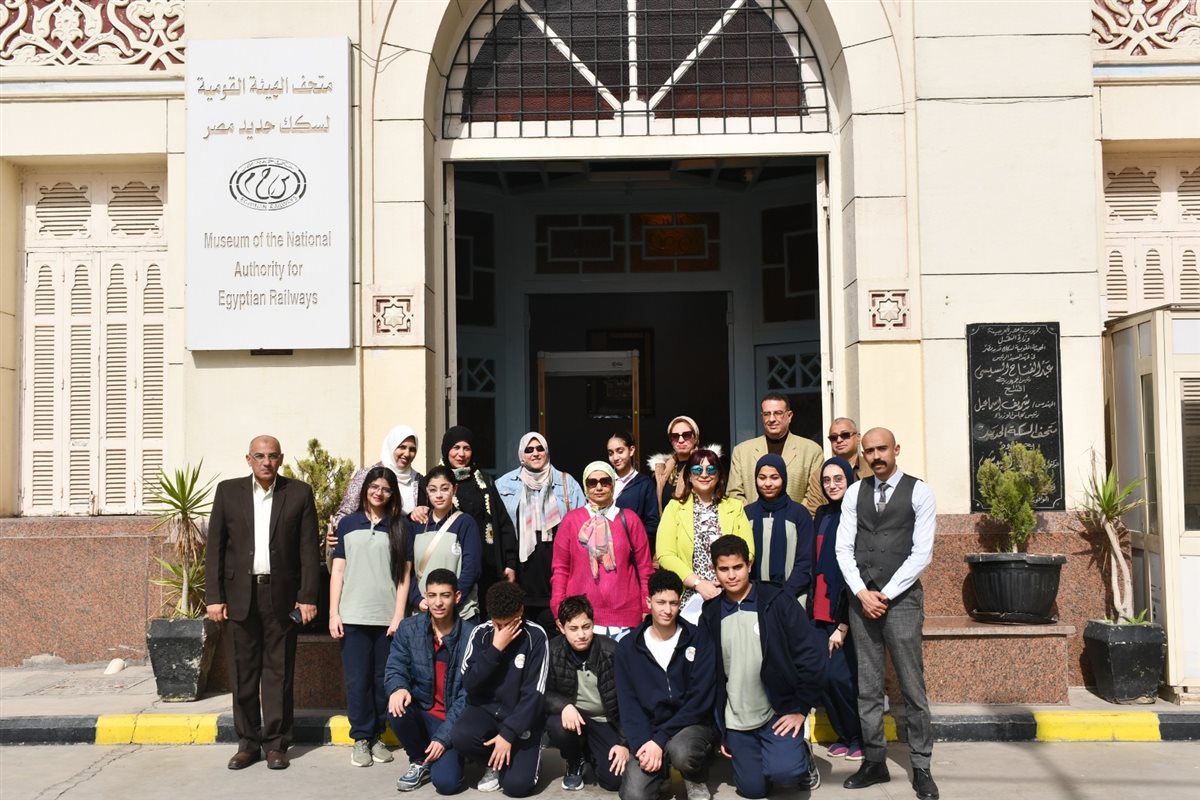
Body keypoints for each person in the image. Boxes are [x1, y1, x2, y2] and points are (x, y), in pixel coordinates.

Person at [205, 435, 320, 771]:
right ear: (249, 459)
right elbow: (215, 548)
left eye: (272, 456)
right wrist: (214, 597)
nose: (266, 462)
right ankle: (247, 744)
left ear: (281, 459)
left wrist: (307, 597)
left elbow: (308, 550)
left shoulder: (298, 493)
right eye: (259, 456)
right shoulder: (228, 492)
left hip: (280, 596)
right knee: (242, 673)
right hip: (239, 595)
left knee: (278, 673)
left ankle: (276, 744)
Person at [835, 428, 938, 800]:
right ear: (863, 455)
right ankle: (874, 761)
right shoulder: (854, 492)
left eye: (882, 449)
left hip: (902, 600)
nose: (876, 456)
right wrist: (862, 593)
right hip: (862, 599)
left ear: (896, 449)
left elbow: (922, 553)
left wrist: (886, 593)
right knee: (867, 686)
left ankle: (921, 766)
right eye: (869, 451)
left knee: (912, 686)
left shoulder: (920, 491)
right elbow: (843, 548)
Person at [700, 535, 826, 797]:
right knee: (752, 790)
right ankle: (762, 757)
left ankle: (800, 754)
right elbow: (708, 675)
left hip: (777, 712)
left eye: (737, 567)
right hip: (737, 718)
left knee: (786, 773)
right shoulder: (711, 613)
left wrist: (801, 708)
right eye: (724, 569)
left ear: (749, 565)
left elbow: (811, 655)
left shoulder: (776, 601)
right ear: (714, 570)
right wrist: (720, 728)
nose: (731, 575)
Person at [330, 466, 411, 767]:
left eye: (386, 489)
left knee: (381, 681)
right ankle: (361, 738)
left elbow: (405, 575)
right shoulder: (348, 524)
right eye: (374, 487)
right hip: (352, 614)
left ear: (393, 494)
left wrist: (399, 614)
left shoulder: (400, 526)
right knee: (357, 681)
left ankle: (377, 735)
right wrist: (333, 613)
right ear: (365, 489)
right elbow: (338, 570)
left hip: (386, 617)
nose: (379, 493)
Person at [615, 570, 716, 800]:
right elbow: (629, 705)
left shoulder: (698, 638)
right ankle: (660, 774)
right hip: (649, 730)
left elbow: (699, 700)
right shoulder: (628, 648)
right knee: (634, 795)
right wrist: (644, 745)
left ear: (680, 603)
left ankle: (694, 775)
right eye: (661, 602)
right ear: (648, 601)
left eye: (673, 603)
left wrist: (660, 740)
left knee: (683, 752)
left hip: (689, 725)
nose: (667, 610)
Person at [451, 581, 549, 797]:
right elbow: (469, 683)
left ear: (521, 611)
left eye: (510, 624)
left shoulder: (536, 636)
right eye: (498, 624)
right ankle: (493, 763)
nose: (503, 630)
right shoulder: (480, 633)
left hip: (521, 720)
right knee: (460, 736)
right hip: (486, 712)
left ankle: (527, 759)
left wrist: (508, 734)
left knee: (516, 787)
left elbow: (535, 693)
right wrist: (495, 648)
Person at [387, 568, 477, 794]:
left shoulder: (472, 636)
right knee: (396, 707)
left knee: (447, 784)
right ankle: (419, 760)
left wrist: (444, 737)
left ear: (457, 597)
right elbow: (395, 666)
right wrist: (398, 687)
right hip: (422, 712)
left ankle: (450, 754)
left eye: (445, 595)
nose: (438, 602)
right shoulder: (409, 628)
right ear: (425, 597)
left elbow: (470, 695)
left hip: (453, 720)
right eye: (432, 595)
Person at [550, 462, 654, 641]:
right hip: (580, 619)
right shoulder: (571, 520)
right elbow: (560, 569)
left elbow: (645, 568)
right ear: (585, 486)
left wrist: (647, 607)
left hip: (625, 618)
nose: (599, 487)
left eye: (605, 481)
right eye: (592, 482)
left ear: (613, 484)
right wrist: (558, 608)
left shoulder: (630, 519)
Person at [418, 426, 518, 612]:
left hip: (487, 570)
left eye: (467, 448)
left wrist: (510, 563)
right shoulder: (432, 482)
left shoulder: (484, 480)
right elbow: (422, 521)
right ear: (446, 449)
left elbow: (502, 522)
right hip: (452, 569)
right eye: (456, 448)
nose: (461, 454)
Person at [496, 432, 586, 631]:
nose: (535, 453)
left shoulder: (567, 482)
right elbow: (499, 528)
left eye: (540, 448)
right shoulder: (504, 484)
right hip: (520, 573)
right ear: (521, 454)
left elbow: (582, 525)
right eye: (529, 449)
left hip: (556, 573)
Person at [656, 449, 753, 623]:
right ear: (689, 476)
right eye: (697, 470)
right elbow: (665, 554)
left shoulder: (735, 507)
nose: (704, 474)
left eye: (711, 469)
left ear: (719, 475)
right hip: (689, 597)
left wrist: (727, 579)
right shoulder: (674, 508)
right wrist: (698, 583)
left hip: (729, 592)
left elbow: (748, 551)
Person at [545, 595, 628, 792]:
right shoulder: (553, 650)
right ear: (561, 627)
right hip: (575, 719)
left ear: (593, 623)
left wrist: (624, 743)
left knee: (614, 781)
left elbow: (629, 701)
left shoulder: (611, 651)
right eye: (573, 628)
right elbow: (542, 691)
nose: (581, 634)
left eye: (586, 627)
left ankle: (590, 753)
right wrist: (564, 705)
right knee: (557, 726)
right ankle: (575, 761)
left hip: (605, 721)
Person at [811, 457, 864, 761]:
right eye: (826, 480)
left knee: (841, 678)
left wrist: (842, 625)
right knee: (821, 677)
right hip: (818, 607)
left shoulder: (857, 515)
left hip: (842, 610)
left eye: (838, 479)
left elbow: (854, 571)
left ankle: (859, 736)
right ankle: (844, 735)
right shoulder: (822, 513)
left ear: (849, 480)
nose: (832, 485)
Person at [726, 393, 825, 514]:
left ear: (789, 416)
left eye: (778, 413)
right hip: (751, 522)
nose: (772, 419)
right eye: (767, 414)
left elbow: (814, 496)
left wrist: (794, 517)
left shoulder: (811, 450)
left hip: (795, 522)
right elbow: (734, 494)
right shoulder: (741, 451)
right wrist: (754, 516)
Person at [409, 465, 482, 623]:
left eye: (444, 489)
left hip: (460, 614)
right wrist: (416, 599)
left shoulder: (465, 523)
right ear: (426, 492)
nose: (439, 495)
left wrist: (452, 600)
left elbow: (472, 568)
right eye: (433, 490)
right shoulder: (417, 524)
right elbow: (408, 569)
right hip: (423, 613)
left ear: (454, 489)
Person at [743, 453, 814, 603]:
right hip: (754, 598)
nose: (768, 483)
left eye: (774, 477)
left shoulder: (799, 514)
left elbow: (805, 561)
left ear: (784, 478)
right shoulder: (747, 514)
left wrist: (784, 595)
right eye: (762, 478)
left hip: (792, 597)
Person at [334, 425, 424, 526]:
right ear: (391, 446)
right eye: (402, 447)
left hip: (402, 534)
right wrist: (335, 531)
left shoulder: (419, 481)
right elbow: (346, 512)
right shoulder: (367, 475)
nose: (407, 454)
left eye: (412, 449)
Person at [646, 416, 716, 515]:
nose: (681, 440)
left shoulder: (707, 466)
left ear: (695, 437)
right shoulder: (661, 470)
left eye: (686, 435)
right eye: (675, 436)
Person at [606, 432, 660, 547]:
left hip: (631, 550)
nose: (615, 458)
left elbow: (652, 523)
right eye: (611, 453)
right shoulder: (604, 481)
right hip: (603, 549)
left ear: (631, 450)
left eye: (620, 451)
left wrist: (633, 543)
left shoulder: (644, 484)